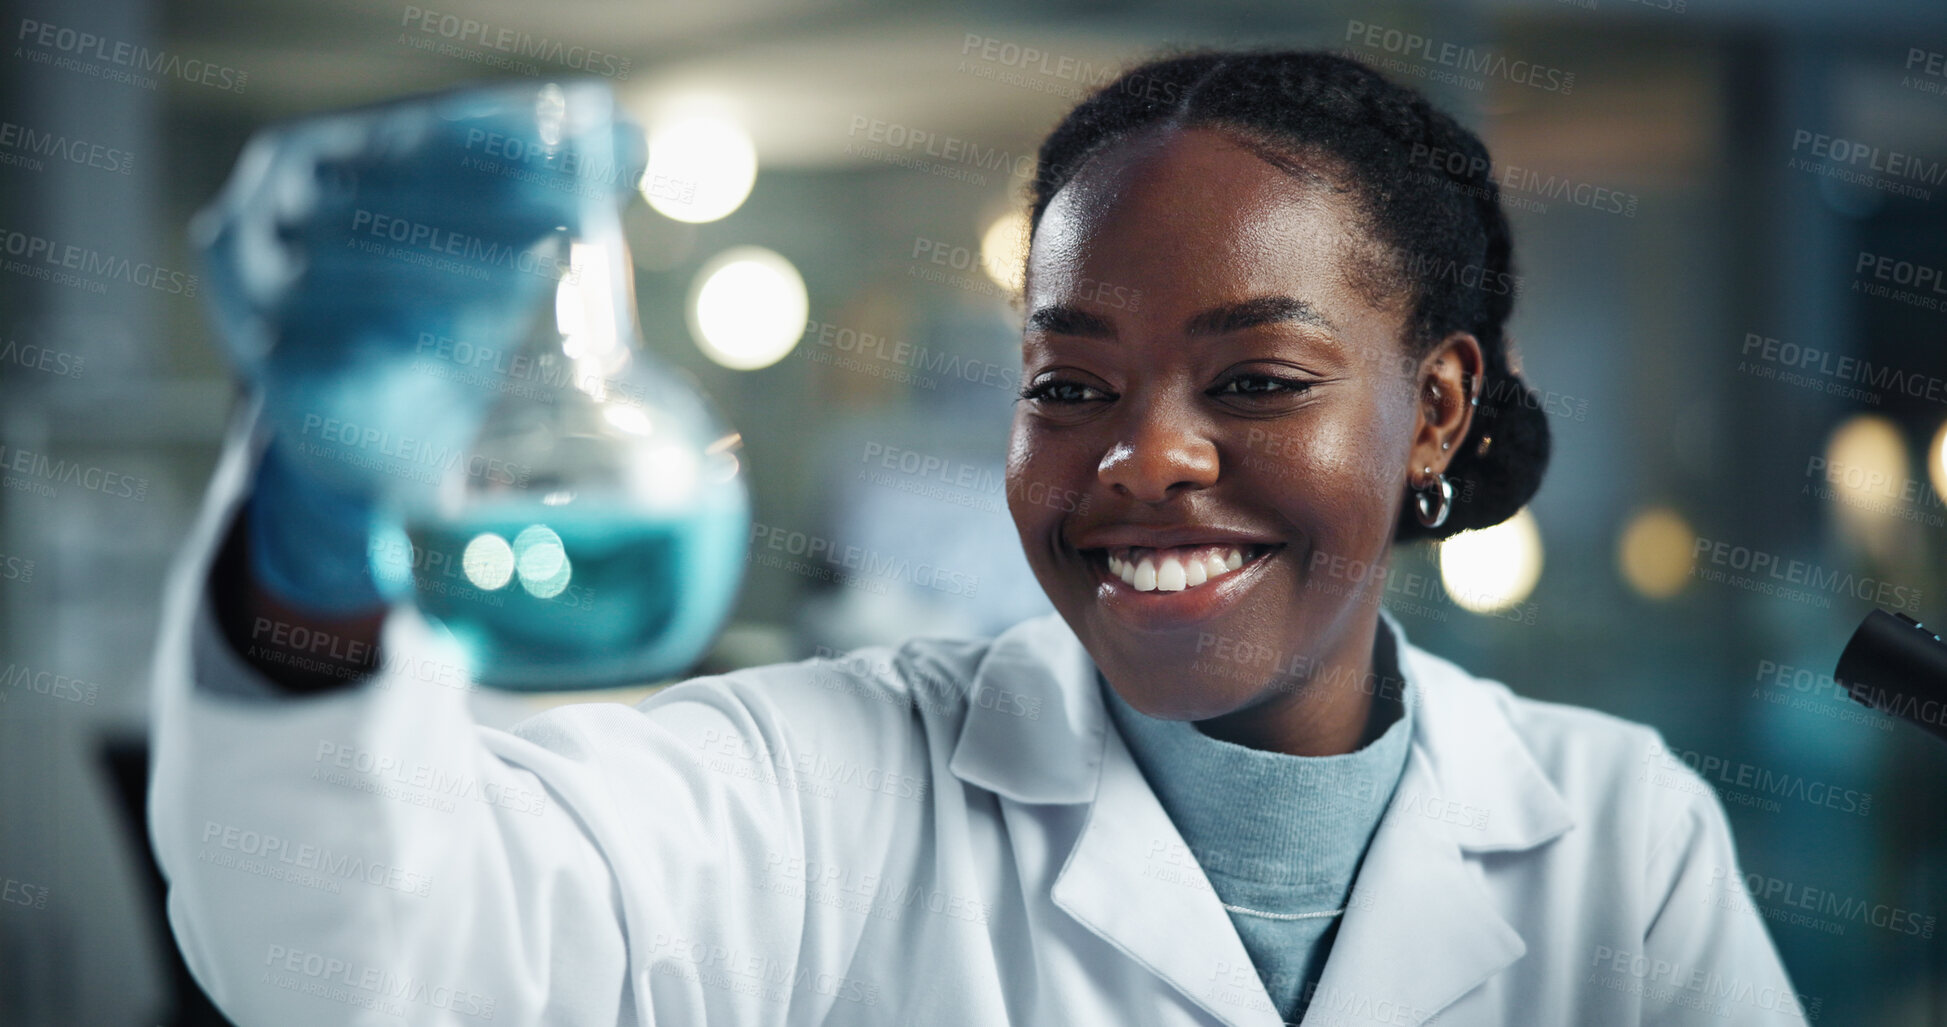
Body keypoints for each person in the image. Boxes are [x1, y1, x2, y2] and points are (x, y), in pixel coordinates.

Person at [149, 50, 1806, 1026]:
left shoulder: (1618, 841)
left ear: (1437, 406)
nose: (1144, 459)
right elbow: (359, 960)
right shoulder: (820, 791)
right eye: (1069, 382)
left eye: (1256, 378)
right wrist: (313, 531)